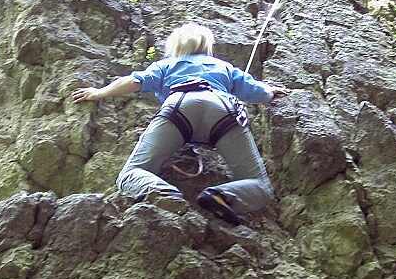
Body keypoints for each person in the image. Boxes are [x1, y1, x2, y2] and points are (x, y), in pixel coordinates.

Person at [72, 23, 284, 225]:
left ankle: (164, 194)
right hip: (223, 111)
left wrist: (98, 93)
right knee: (260, 186)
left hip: (180, 107)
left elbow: (135, 81)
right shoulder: (224, 67)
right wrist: (271, 91)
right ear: (206, 46)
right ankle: (221, 196)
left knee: (131, 173)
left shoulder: (167, 65)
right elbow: (259, 93)